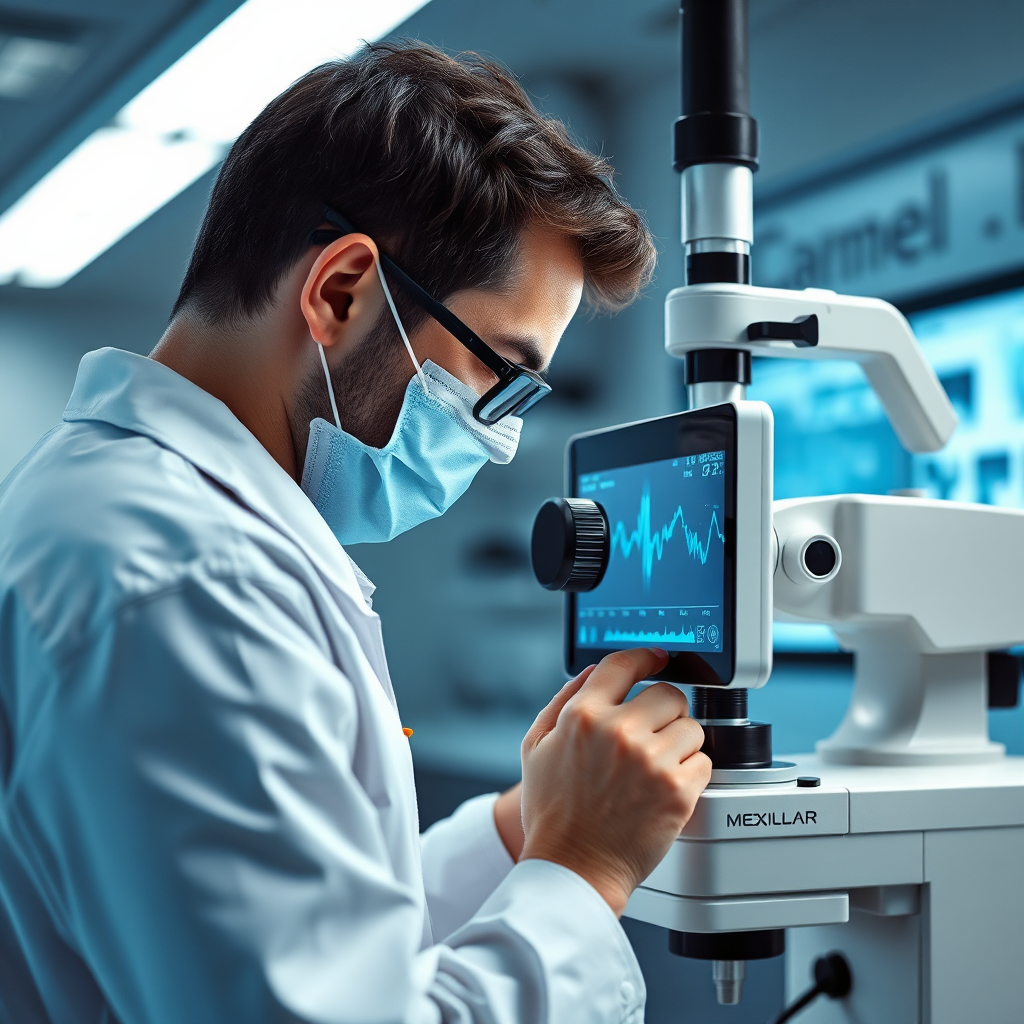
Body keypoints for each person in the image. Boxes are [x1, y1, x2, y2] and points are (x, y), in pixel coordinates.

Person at [0, 43, 711, 1024]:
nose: (501, 442)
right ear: (340, 290)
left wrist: (519, 830)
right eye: (497, 373)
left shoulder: (128, 513)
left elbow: (303, 936)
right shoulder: (189, 580)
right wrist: (582, 869)